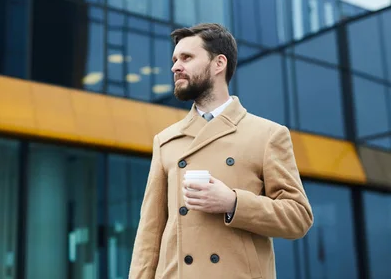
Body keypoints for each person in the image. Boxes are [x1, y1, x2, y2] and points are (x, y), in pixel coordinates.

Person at [129, 23, 313, 279]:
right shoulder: (166, 140)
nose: (175, 66)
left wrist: (233, 203)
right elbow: (149, 234)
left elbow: (299, 217)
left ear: (219, 64)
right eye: (174, 59)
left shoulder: (268, 135)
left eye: (187, 57)